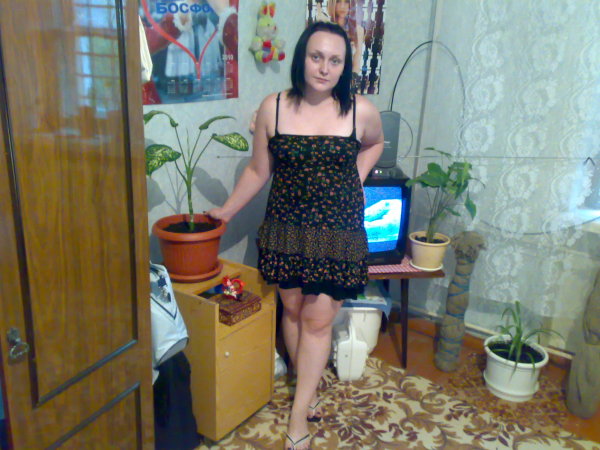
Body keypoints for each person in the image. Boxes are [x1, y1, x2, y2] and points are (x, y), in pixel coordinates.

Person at [208, 21, 383, 450]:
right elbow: (258, 170)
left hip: (337, 231)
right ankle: (307, 385)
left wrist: (357, 179)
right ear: (302, 57)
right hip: (286, 227)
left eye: (335, 60)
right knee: (291, 310)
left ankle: (298, 414)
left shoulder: (361, 111)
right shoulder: (273, 108)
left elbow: (375, 144)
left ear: (345, 67)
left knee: (317, 320)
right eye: (316, 57)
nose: (324, 68)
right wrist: (226, 212)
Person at [327, 0, 365, 76]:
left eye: (347, 2)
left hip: (346, 78)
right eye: (338, 1)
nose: (342, 6)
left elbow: (356, 65)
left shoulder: (358, 31)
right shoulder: (325, 28)